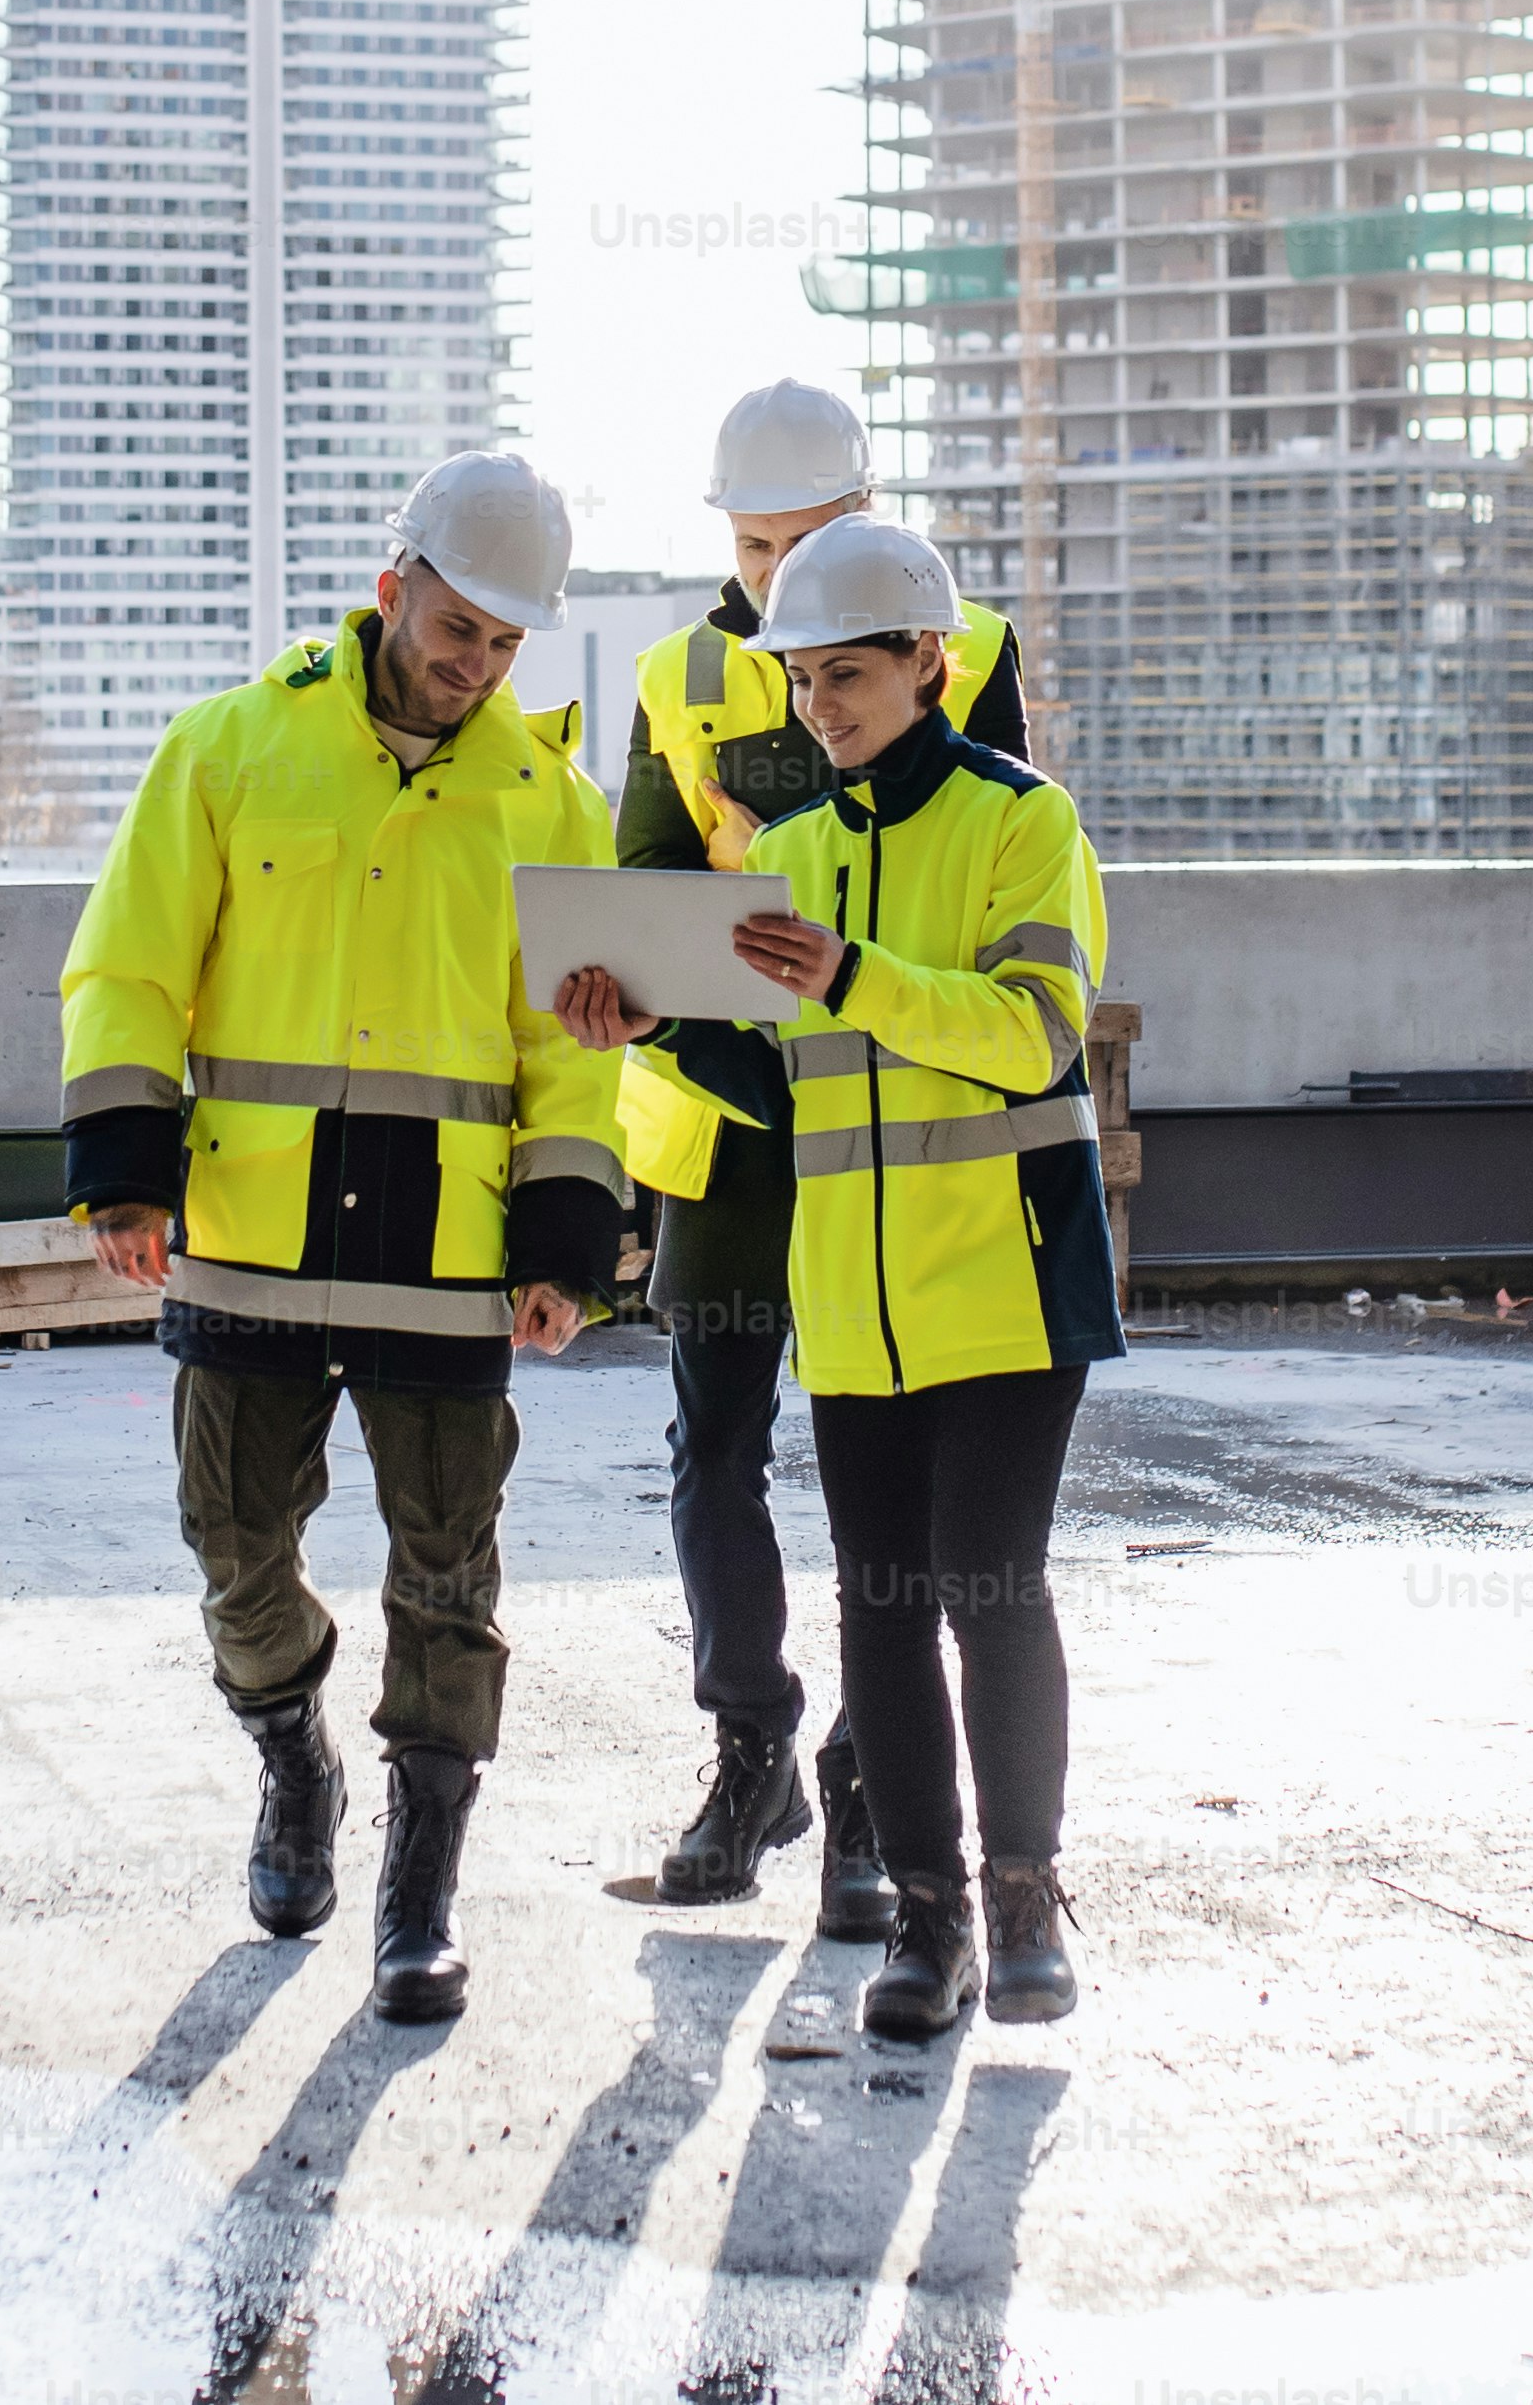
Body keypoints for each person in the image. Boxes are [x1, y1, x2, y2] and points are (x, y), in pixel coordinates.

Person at [60, 451, 628, 2025]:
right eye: (456, 631)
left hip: (447, 1260)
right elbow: (127, 967)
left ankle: (418, 1894)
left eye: (507, 647)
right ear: (392, 592)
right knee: (234, 1551)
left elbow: (571, 1053)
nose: (476, 668)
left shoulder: (549, 800)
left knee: (447, 1576)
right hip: (248, 1232)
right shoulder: (229, 749)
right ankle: (292, 1760)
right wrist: (124, 1165)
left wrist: (565, 1236)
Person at [562, 512, 1111, 2040]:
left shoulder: (1023, 822)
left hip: (1003, 1282)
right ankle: (923, 1930)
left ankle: (1022, 1903)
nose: (820, 705)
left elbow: (1032, 1033)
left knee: (988, 1594)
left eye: (848, 673)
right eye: (802, 679)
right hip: (855, 1312)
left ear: (930, 660)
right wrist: (654, 1027)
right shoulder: (790, 853)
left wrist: (856, 979)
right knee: (879, 1605)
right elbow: (777, 1076)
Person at [606, 380, 1029, 1939]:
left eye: (808, 539)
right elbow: (647, 887)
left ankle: (869, 1784)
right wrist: (674, 1013)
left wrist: (779, 800)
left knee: (889, 1459)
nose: (780, 571)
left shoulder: (958, 647)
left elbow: (969, 839)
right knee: (714, 1441)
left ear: (867, 515)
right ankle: (751, 1752)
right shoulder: (674, 673)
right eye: (754, 539)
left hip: (890, 1112)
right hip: (731, 1121)